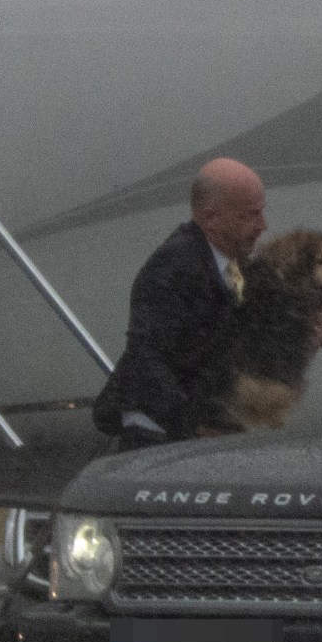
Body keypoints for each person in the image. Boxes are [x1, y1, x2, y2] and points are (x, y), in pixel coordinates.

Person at [93, 158, 267, 450]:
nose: (262, 226)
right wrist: (193, 426)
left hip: (197, 429)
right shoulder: (173, 267)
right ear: (211, 218)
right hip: (159, 438)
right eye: (249, 216)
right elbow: (145, 357)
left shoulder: (230, 263)